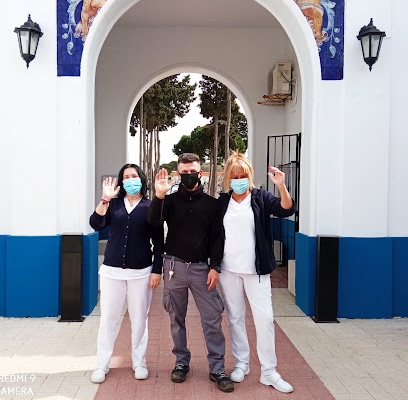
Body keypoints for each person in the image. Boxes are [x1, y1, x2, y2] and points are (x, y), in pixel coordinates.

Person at [147, 153, 234, 393]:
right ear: (178, 173)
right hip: (173, 267)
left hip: (202, 269)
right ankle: (181, 362)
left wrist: (215, 266)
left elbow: (218, 237)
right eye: (183, 173)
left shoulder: (212, 204)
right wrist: (158, 195)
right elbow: (153, 222)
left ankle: (217, 368)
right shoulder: (170, 201)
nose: (188, 176)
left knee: (212, 320)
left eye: (192, 171)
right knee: (176, 318)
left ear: (200, 172)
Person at [217, 151, 295, 394]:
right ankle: (242, 362)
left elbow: (286, 210)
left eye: (243, 175)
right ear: (228, 179)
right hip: (228, 270)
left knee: (264, 319)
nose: (239, 179)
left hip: (256, 270)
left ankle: (269, 371)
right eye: (234, 176)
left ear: (249, 176)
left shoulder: (261, 197)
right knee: (235, 318)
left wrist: (282, 186)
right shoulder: (222, 202)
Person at [89, 163, 164, 384]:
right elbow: (95, 224)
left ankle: (138, 362)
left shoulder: (151, 206)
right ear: (122, 182)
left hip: (141, 272)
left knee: (140, 319)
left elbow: (159, 242)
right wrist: (104, 199)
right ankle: (102, 364)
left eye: (134, 176)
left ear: (141, 179)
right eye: (126, 177)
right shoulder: (113, 205)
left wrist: (157, 270)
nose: (131, 180)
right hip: (111, 271)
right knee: (108, 320)